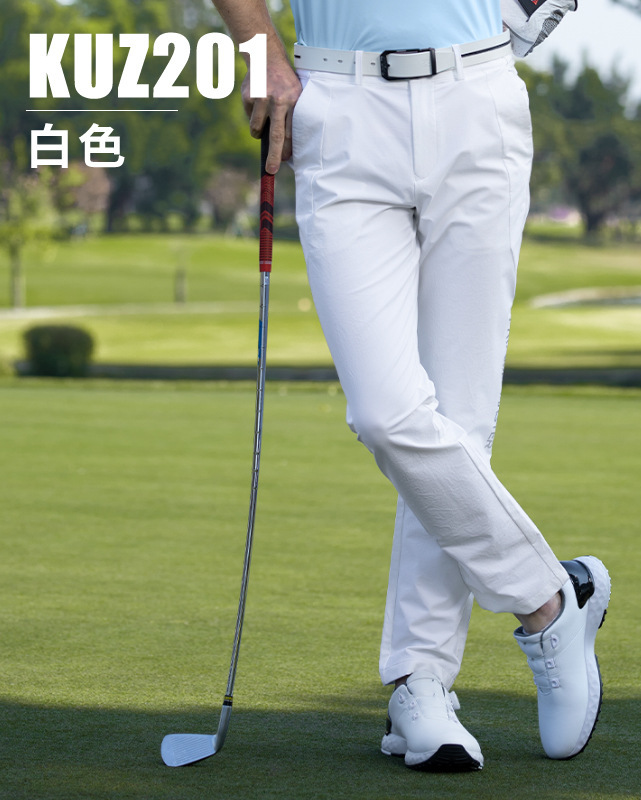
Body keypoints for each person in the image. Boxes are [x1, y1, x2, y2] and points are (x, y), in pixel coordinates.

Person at [211, 0, 609, 772]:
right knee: (386, 413)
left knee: (461, 419)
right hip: (339, 103)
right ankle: (549, 600)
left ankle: (420, 683)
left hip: (476, 96)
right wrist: (259, 47)